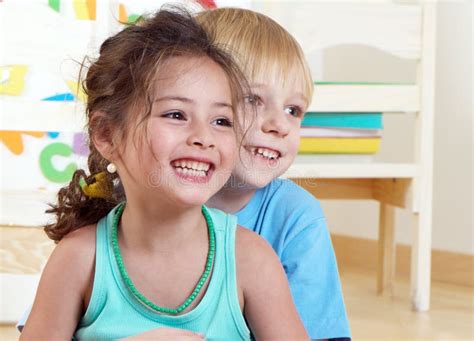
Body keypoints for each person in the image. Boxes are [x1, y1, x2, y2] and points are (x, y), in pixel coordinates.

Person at [19, 8, 308, 340]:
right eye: (175, 114)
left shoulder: (251, 260)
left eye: (221, 121)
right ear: (107, 135)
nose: (203, 136)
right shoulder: (79, 259)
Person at [197, 8, 351, 340]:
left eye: (293, 110)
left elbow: (321, 334)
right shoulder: (147, 204)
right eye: (253, 100)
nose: (279, 125)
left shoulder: (296, 215)